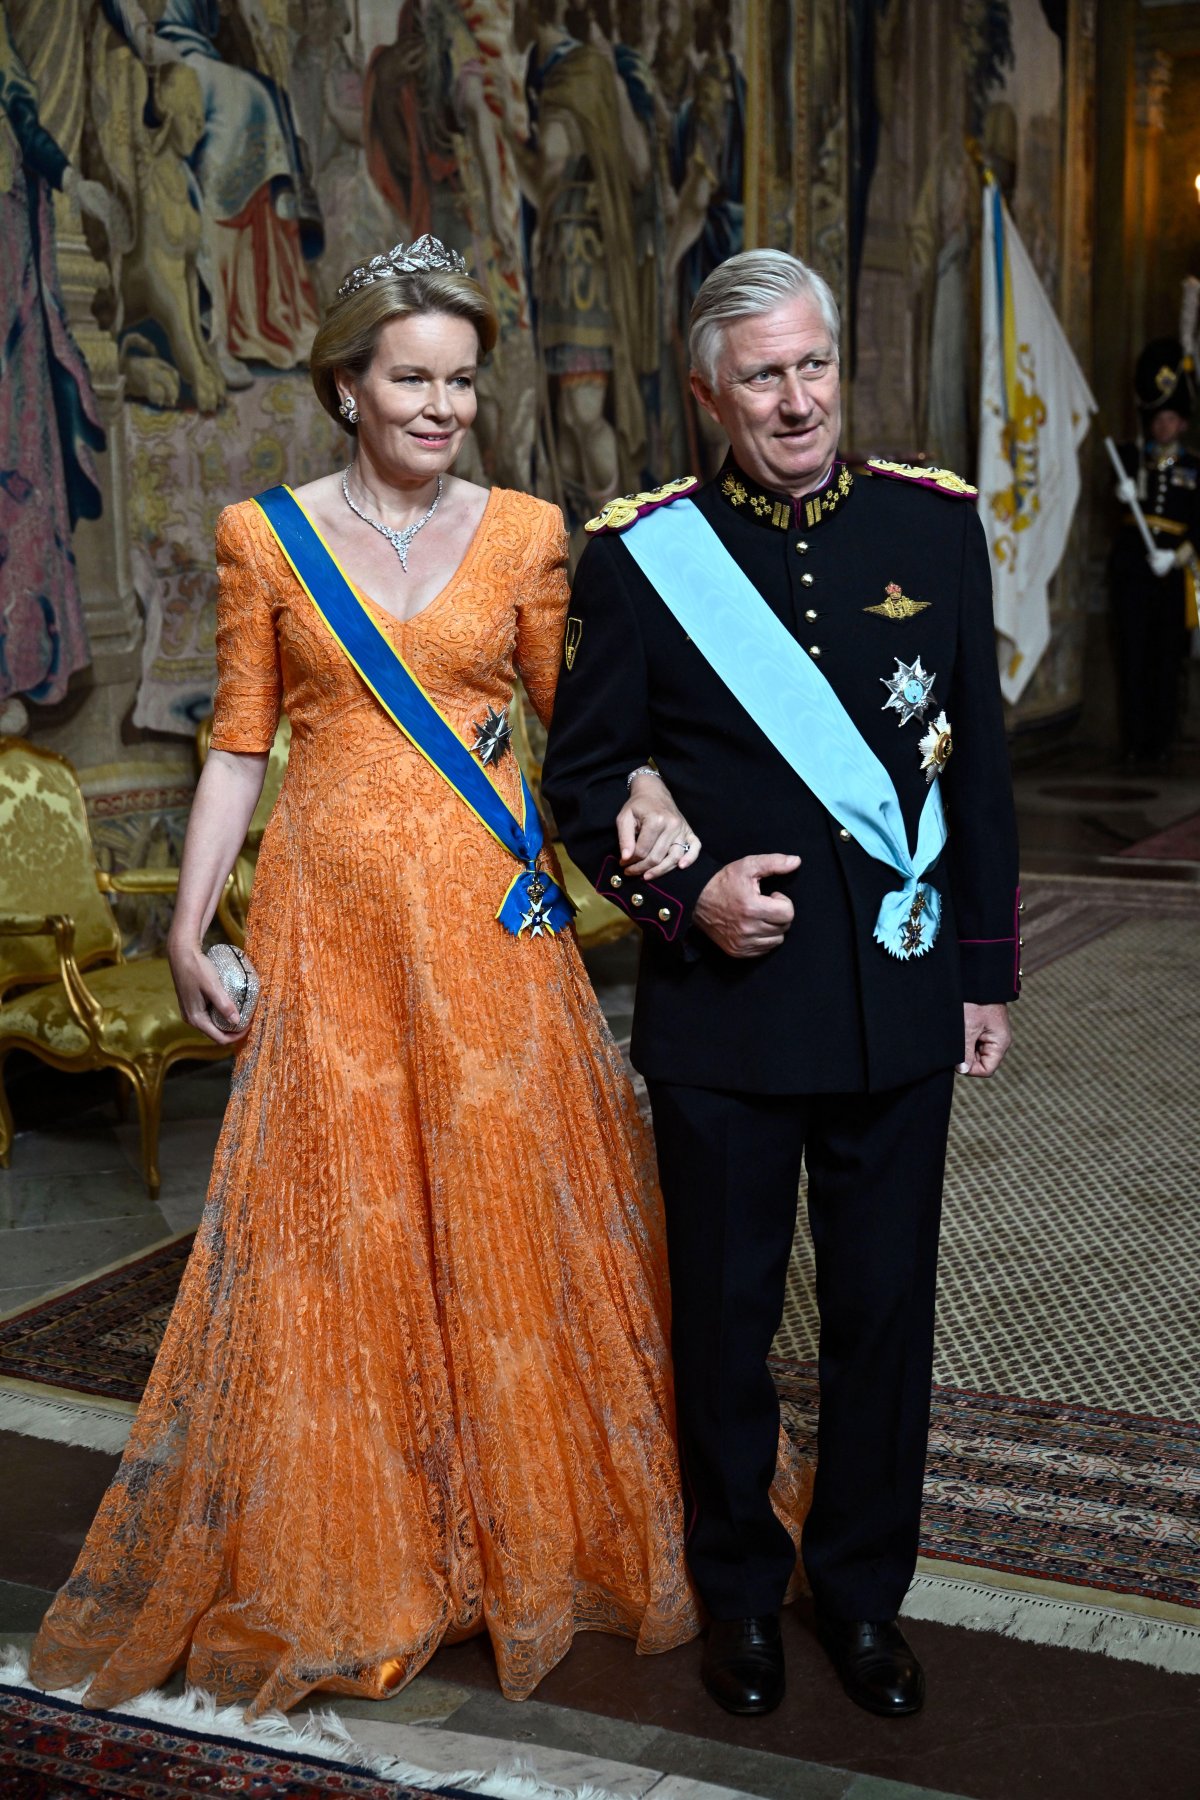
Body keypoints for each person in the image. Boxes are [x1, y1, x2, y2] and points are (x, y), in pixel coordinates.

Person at [28, 235, 811, 1719]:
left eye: (461, 379)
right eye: (413, 379)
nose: (443, 405)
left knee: (512, 1209)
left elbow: (578, 727)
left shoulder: (525, 530)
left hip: (487, 921)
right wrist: (190, 927)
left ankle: (529, 1523)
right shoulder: (265, 538)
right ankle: (382, 1542)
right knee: (347, 1229)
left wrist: (650, 803)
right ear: (346, 384)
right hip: (327, 924)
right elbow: (240, 741)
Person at [543, 248, 1020, 1720]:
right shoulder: (642, 554)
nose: (799, 398)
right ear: (709, 395)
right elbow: (578, 778)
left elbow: (981, 767)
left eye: (814, 366)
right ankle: (742, 1591)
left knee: (884, 1314)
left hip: (892, 998)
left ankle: (866, 1598)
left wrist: (983, 972)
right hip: (728, 1015)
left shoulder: (930, 530)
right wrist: (686, 897)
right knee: (727, 1318)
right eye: (765, 374)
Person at [1110, 336, 1199, 767]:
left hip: (1171, 575)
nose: (1161, 426)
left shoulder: (1194, 468)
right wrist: (1120, 492)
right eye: (1157, 419)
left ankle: (1160, 743)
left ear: (1182, 423)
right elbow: (1108, 510)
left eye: (1170, 419)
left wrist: (1180, 554)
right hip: (1133, 571)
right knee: (1132, 657)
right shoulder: (1129, 458)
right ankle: (1133, 741)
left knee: (1166, 660)